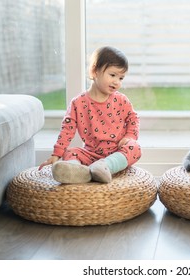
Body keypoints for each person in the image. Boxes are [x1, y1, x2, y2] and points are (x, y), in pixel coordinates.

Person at [38, 46, 141, 184]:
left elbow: (133, 118)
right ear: (94, 71)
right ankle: (80, 173)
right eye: (112, 75)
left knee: (135, 148)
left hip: (117, 151)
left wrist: (130, 136)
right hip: (91, 154)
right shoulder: (78, 103)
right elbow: (67, 130)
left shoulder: (121, 100)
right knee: (70, 152)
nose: (117, 82)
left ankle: (106, 166)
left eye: (121, 78)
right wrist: (56, 154)